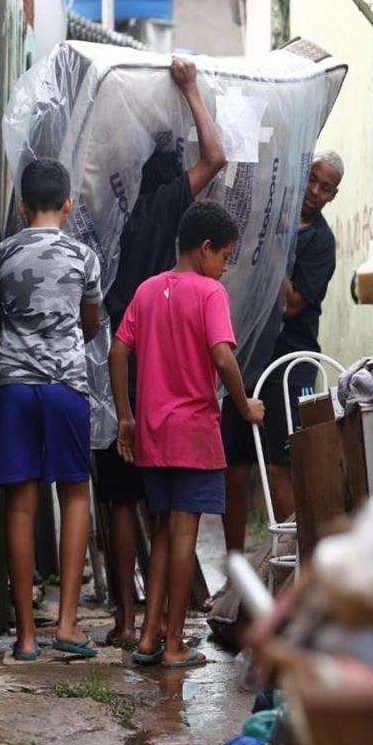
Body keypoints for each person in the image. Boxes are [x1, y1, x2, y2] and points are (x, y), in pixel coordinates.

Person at [94, 56, 227, 650]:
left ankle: (130, 622)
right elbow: (216, 157)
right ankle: (166, 629)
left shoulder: (105, 209)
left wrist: (121, 410)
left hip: (117, 348)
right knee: (174, 513)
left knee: (124, 495)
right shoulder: (173, 204)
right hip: (167, 372)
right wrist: (193, 89)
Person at [109, 201, 265, 668]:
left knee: (162, 532)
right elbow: (221, 355)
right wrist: (244, 406)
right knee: (183, 533)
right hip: (195, 432)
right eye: (225, 257)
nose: (223, 268)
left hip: (153, 431)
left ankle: (148, 635)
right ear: (205, 250)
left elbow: (119, 350)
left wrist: (126, 415)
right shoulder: (209, 294)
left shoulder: (147, 290)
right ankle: (175, 641)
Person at [214, 150, 342, 605]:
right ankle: (234, 579)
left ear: (333, 195)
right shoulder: (270, 219)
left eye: (326, 187)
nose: (315, 192)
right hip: (247, 359)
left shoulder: (319, 244)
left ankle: (293, 581)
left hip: (290, 361)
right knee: (234, 467)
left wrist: (273, 245)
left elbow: (291, 305)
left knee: (280, 467)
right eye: (312, 180)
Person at [0, 158, 102, 660]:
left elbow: (6, 310)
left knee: (21, 503)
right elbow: (92, 324)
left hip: (14, 384)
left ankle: (25, 638)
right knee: (74, 493)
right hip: (65, 385)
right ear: (68, 205)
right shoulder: (83, 256)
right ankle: (67, 625)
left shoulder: (3, 253)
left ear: (20, 207)